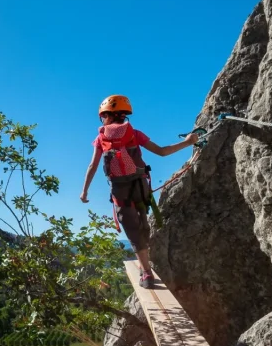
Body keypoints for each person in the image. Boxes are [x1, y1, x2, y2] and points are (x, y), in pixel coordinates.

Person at [79, 95, 198, 289]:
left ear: (106, 116)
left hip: (120, 190)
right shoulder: (134, 133)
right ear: (124, 114)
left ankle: (147, 273)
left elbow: (93, 165)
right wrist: (188, 142)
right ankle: (148, 260)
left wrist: (84, 191)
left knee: (131, 229)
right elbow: (162, 151)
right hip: (140, 185)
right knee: (142, 219)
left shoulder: (101, 138)